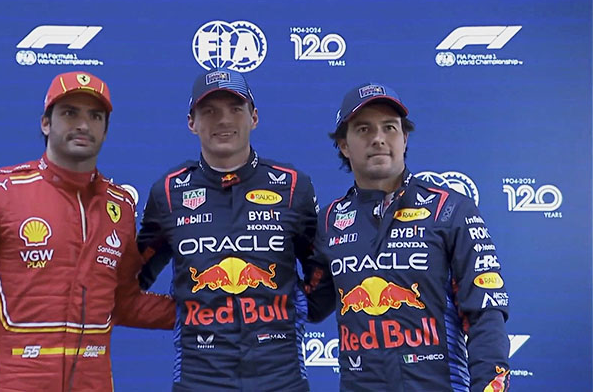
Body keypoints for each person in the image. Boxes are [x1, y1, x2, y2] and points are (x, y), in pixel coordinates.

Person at [0, 71, 175, 392]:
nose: (83, 124)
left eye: (95, 116)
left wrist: (206, 311)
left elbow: (123, 302)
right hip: (15, 381)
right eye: (70, 113)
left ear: (106, 130)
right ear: (45, 123)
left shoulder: (119, 205)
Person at [307, 83, 510, 391]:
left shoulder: (450, 210)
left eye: (389, 127)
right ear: (344, 145)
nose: (378, 138)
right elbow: (308, 305)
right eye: (363, 129)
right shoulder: (329, 221)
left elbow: (486, 314)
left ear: (404, 138)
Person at [137, 69, 326, 392]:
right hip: (199, 380)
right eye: (210, 111)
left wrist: (295, 309)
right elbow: (132, 279)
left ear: (254, 117)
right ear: (191, 122)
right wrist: (180, 311)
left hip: (281, 379)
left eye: (235, 109)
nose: (223, 120)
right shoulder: (168, 192)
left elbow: (323, 274)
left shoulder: (293, 186)